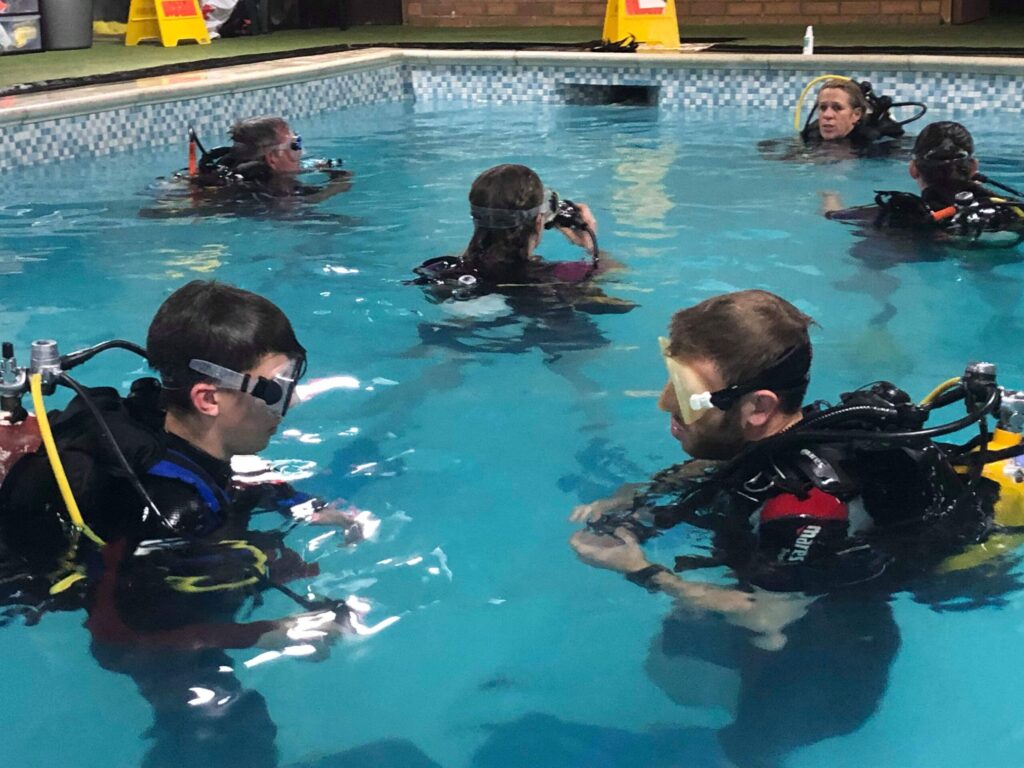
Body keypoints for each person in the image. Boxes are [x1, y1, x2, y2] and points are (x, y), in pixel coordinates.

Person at [568, 290, 997, 766]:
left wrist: (641, 570)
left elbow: (768, 618)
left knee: (746, 748)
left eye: (686, 396)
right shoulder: (795, 432)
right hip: (801, 612)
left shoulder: (802, 511)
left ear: (757, 407)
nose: (664, 406)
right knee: (667, 661)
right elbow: (731, 469)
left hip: (828, 666)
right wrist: (634, 499)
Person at [0, 280, 374, 768]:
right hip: (51, 578)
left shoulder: (155, 415)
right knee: (231, 730)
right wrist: (268, 633)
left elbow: (215, 477)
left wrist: (298, 503)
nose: (293, 402)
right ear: (208, 399)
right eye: (278, 387)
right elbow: (116, 639)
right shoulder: (167, 515)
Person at [411, 163, 635, 315]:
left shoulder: (441, 270)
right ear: (539, 222)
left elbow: (474, 258)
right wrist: (588, 244)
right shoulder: (563, 275)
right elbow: (619, 276)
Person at [824, 120, 1024, 250]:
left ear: (913, 169)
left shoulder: (896, 216)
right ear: (973, 167)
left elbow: (833, 216)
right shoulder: (1011, 212)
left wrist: (829, 195)